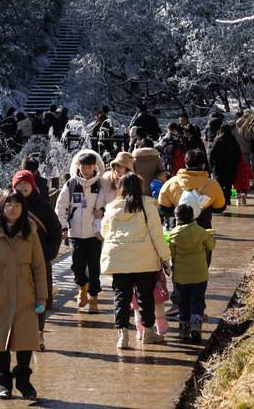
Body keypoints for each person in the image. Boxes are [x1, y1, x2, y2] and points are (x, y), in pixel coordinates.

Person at [0, 190, 47, 400]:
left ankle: (24, 382)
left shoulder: (30, 233)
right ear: (2, 207)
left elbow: (39, 267)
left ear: (23, 209)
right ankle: (3, 382)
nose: (13, 209)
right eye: (9, 205)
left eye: (17, 205)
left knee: (25, 339)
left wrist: (42, 297)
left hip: (25, 295)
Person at [100, 173, 171, 348]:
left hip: (118, 259)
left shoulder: (111, 207)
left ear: (121, 188)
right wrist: (166, 258)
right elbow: (157, 235)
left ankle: (122, 337)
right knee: (145, 297)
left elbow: (104, 232)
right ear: (140, 187)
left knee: (121, 298)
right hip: (144, 259)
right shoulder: (148, 206)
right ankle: (148, 333)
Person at [11, 170, 62, 351]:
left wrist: (48, 253)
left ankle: (38, 332)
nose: (23, 186)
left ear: (33, 185)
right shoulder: (9, 204)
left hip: (38, 262)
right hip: (14, 263)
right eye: (19, 183)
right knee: (17, 299)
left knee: (40, 299)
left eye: (26, 183)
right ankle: (19, 334)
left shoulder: (43, 206)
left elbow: (56, 230)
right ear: (13, 186)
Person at [55, 149, 105, 313]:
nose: (86, 170)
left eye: (89, 167)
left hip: (95, 233)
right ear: (78, 166)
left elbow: (111, 203)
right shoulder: (71, 184)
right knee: (77, 265)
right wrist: (63, 226)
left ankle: (93, 298)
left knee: (94, 266)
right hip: (75, 232)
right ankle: (82, 287)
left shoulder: (101, 184)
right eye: (83, 167)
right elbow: (60, 206)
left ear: (94, 167)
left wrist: (103, 212)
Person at [169, 204, 216, 343]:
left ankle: (183, 328)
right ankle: (196, 323)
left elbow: (171, 253)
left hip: (181, 276)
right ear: (193, 216)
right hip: (199, 274)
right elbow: (211, 245)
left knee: (182, 301)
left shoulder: (174, 234)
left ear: (177, 218)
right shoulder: (201, 231)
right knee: (198, 299)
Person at [158, 150, 226, 231]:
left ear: (186, 164)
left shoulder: (171, 183)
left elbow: (163, 206)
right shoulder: (213, 184)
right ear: (203, 165)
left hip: (178, 230)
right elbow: (219, 208)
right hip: (202, 230)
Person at [209, 124, 241, 206]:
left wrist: (211, 165)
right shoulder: (233, 140)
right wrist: (235, 163)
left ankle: (219, 202)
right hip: (230, 167)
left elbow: (212, 153)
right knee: (228, 186)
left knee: (219, 186)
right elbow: (238, 153)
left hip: (219, 167)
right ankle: (227, 200)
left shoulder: (218, 140)